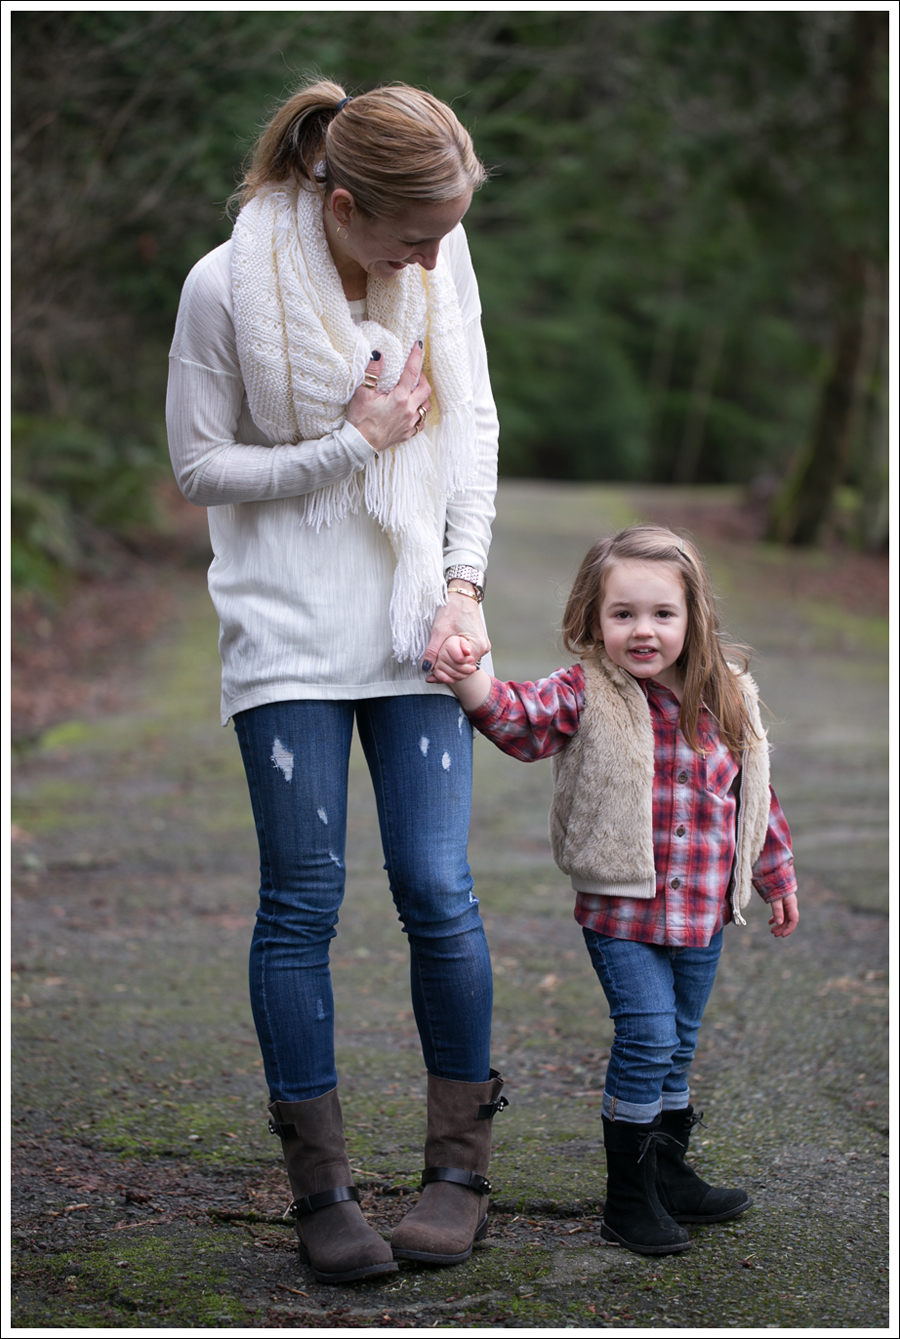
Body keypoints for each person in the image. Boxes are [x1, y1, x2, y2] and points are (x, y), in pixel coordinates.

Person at [166, 79, 507, 1284]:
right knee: (303, 899)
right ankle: (321, 1189)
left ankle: (459, 1171)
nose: (435, 259)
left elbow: (471, 426)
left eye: (449, 234)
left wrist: (464, 585)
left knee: (438, 888)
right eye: (416, 235)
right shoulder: (224, 286)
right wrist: (351, 444)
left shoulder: (435, 268)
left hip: (418, 624)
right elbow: (199, 466)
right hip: (287, 633)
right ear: (346, 205)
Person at [431, 523, 799, 1257]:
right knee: (649, 1034)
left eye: (662, 613)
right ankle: (627, 1198)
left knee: (679, 1043)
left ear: (693, 617)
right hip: (622, 911)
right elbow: (520, 720)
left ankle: (668, 1174)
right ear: (594, 618)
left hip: (703, 911)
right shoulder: (586, 690)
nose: (643, 630)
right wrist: (469, 678)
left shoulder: (727, 696)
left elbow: (753, 792)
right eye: (623, 613)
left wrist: (774, 872)